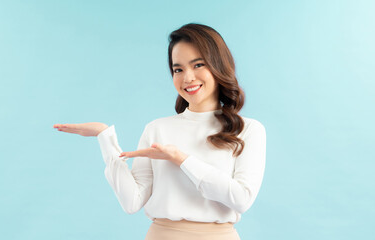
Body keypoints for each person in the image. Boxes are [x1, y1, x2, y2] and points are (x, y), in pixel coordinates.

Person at [53, 23, 266, 240]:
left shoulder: (248, 130)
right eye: (178, 69)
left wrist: (181, 159)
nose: (188, 78)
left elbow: (241, 198)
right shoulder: (157, 129)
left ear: (219, 65)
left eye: (198, 65)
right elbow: (132, 202)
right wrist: (105, 138)